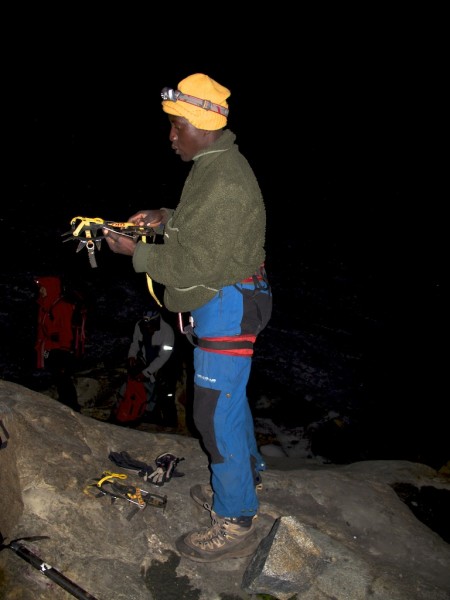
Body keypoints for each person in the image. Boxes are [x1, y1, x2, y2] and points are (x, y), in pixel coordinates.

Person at [103, 73, 272, 562]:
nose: (171, 135)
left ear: (201, 124)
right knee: (228, 400)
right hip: (233, 295)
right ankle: (244, 478)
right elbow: (205, 228)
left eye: (177, 126)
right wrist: (165, 217)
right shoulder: (215, 164)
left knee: (212, 411)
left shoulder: (225, 180)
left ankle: (236, 515)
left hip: (228, 302)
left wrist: (136, 252)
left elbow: (198, 262)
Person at [34, 276, 80, 412]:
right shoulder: (44, 305)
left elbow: (66, 330)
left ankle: (72, 406)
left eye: (43, 287)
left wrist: (64, 350)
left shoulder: (62, 306)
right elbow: (41, 328)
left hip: (61, 349)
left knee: (63, 377)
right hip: (51, 348)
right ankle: (66, 403)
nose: (41, 290)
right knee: (58, 377)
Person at [127, 309, 177, 426]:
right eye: (146, 325)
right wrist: (132, 355)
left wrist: (146, 372)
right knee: (146, 388)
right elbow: (135, 343)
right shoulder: (139, 326)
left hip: (167, 363)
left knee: (166, 392)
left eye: (151, 325)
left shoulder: (167, 331)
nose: (148, 328)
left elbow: (164, 357)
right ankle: (150, 415)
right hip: (147, 359)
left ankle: (170, 422)